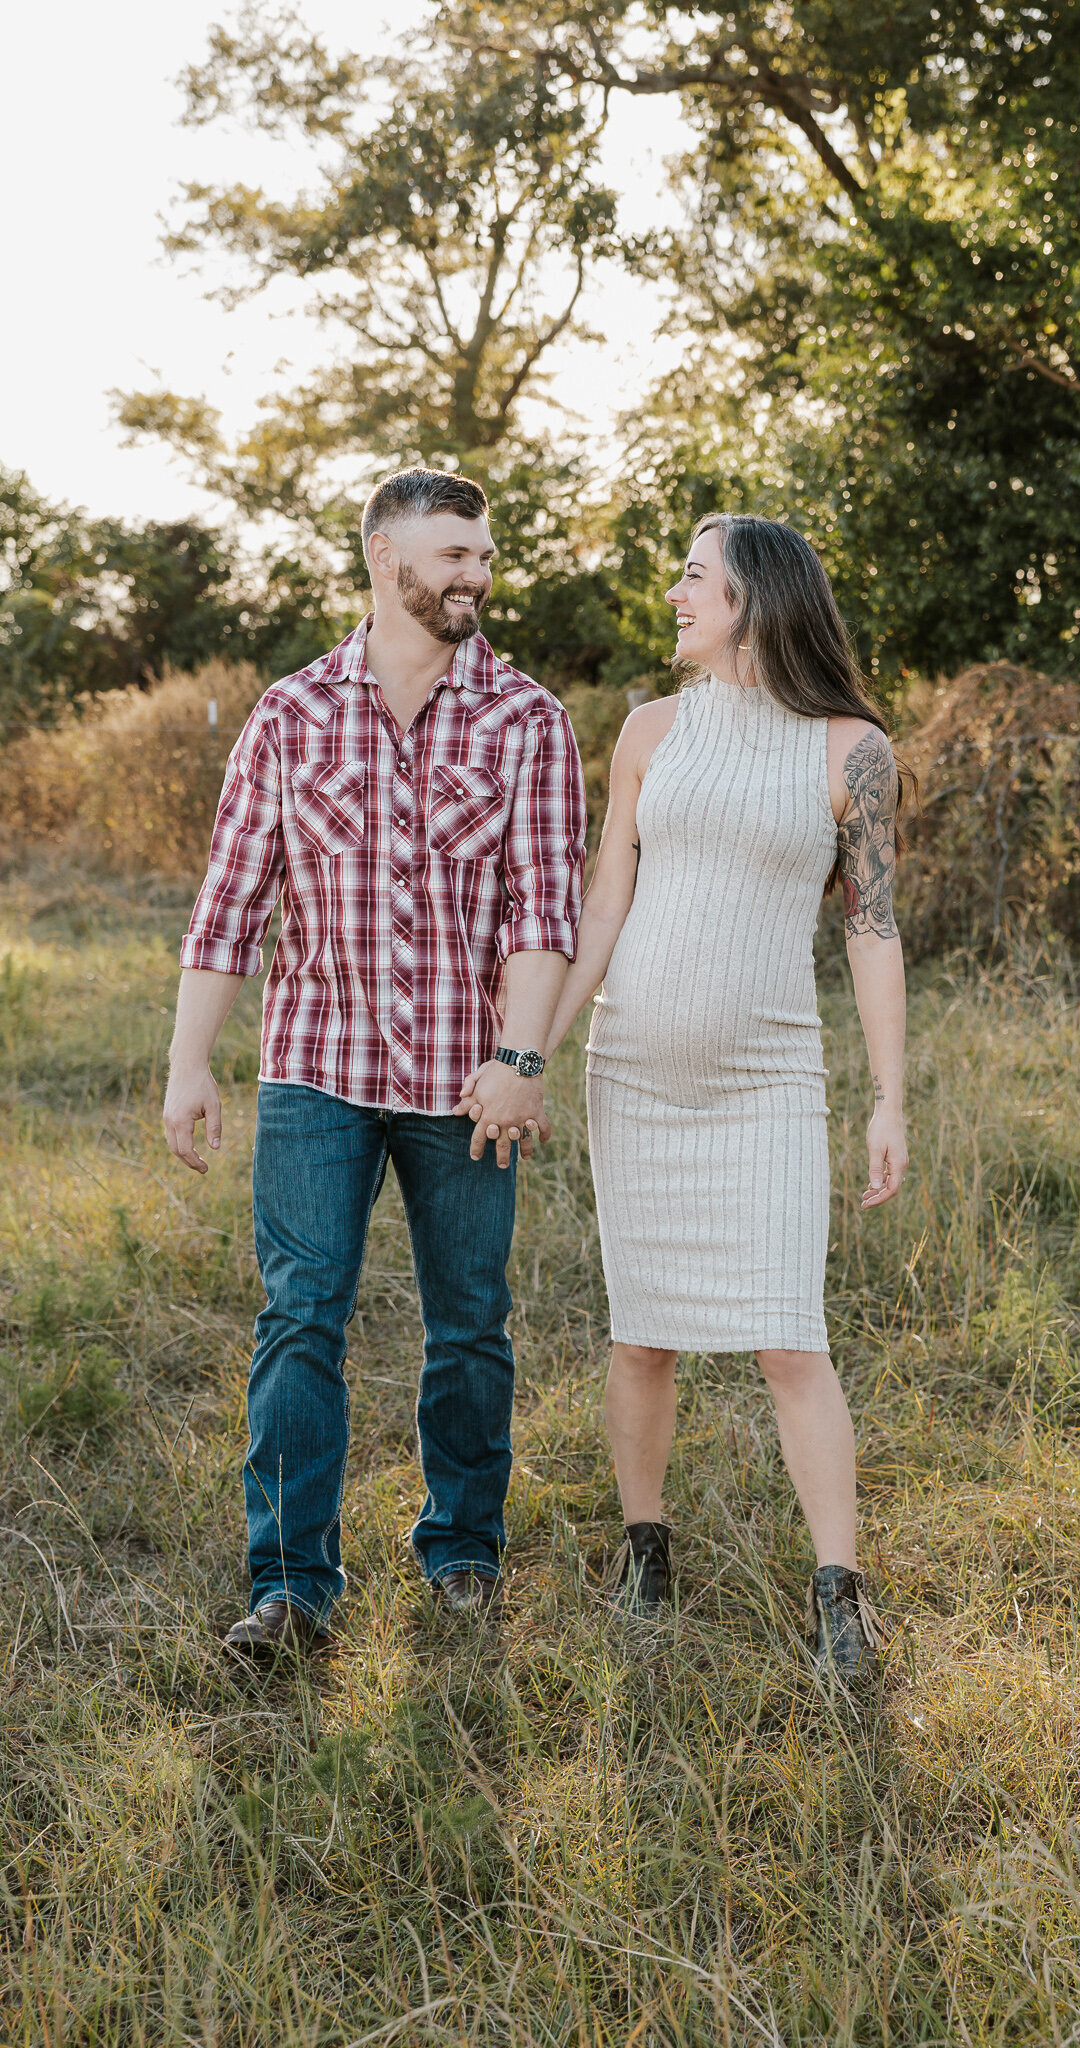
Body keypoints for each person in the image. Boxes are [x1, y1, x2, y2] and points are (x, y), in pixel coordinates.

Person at [163, 466, 586, 1660]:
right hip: (315, 1068)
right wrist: (190, 1063)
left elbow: (541, 912)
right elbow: (230, 902)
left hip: (469, 1078)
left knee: (471, 1322)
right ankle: (292, 1587)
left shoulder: (529, 720)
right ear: (383, 554)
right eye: (452, 553)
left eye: (484, 556)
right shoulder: (292, 714)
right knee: (300, 1319)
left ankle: (462, 1555)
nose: (476, 576)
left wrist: (520, 1053)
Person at [544, 514, 909, 1678]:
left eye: (695, 577)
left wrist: (889, 1097)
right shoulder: (648, 730)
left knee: (788, 1339)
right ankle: (644, 1553)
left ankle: (839, 1594)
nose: (676, 594)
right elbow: (604, 907)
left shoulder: (852, 752)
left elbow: (874, 930)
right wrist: (529, 1051)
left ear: (754, 596)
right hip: (633, 1069)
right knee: (641, 1332)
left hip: (768, 1077)